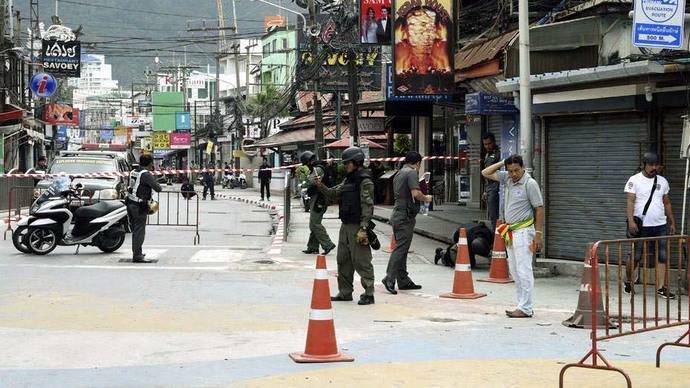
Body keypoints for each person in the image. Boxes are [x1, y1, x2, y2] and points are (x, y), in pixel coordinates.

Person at [482, 154, 544, 318]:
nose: (514, 174)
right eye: (510, 171)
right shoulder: (507, 179)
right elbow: (485, 172)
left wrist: (538, 234)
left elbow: (539, 208)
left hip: (524, 232)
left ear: (523, 167)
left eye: (516, 170)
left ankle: (526, 307)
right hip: (510, 232)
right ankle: (521, 305)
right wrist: (503, 162)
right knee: (515, 270)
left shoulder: (529, 184)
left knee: (524, 270)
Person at [315, 146, 376, 305]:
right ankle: (345, 292)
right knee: (343, 260)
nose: (345, 166)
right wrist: (320, 185)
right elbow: (334, 193)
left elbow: (368, 206)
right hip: (345, 225)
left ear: (356, 162)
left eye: (348, 163)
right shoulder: (348, 179)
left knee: (361, 260)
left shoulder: (365, 180)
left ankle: (369, 293)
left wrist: (364, 228)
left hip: (358, 226)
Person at [624, 152, 677, 299]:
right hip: (641, 226)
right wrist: (631, 221)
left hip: (660, 224)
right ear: (644, 165)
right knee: (636, 255)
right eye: (651, 165)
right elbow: (630, 202)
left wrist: (672, 221)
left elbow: (666, 202)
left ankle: (660, 288)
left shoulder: (663, 181)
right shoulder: (634, 180)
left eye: (656, 165)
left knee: (662, 255)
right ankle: (628, 282)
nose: (654, 167)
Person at [382, 152, 433, 294]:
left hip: (398, 214)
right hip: (405, 216)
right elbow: (416, 193)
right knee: (401, 249)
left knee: (402, 248)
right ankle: (389, 278)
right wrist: (427, 198)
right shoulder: (411, 173)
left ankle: (403, 280)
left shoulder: (399, 173)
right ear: (418, 163)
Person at [126, 154, 162, 263]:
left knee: (135, 230)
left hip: (130, 203)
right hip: (139, 206)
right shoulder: (145, 174)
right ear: (150, 163)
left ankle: (137, 252)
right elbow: (158, 188)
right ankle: (137, 256)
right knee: (139, 231)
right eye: (152, 163)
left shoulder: (134, 172)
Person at [301, 151, 336, 255]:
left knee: (315, 223)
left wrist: (303, 183)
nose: (306, 166)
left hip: (319, 198)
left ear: (308, 161)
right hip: (317, 198)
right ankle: (313, 247)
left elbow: (310, 182)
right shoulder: (317, 168)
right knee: (313, 223)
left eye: (305, 163)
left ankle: (328, 244)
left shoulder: (317, 169)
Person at [482, 133, 501, 230]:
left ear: (493, 142)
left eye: (489, 143)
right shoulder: (487, 154)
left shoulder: (498, 154)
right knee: (492, 215)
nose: (487, 146)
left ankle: (497, 239)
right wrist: (485, 190)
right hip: (490, 188)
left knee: (495, 215)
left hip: (496, 188)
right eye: (485, 144)